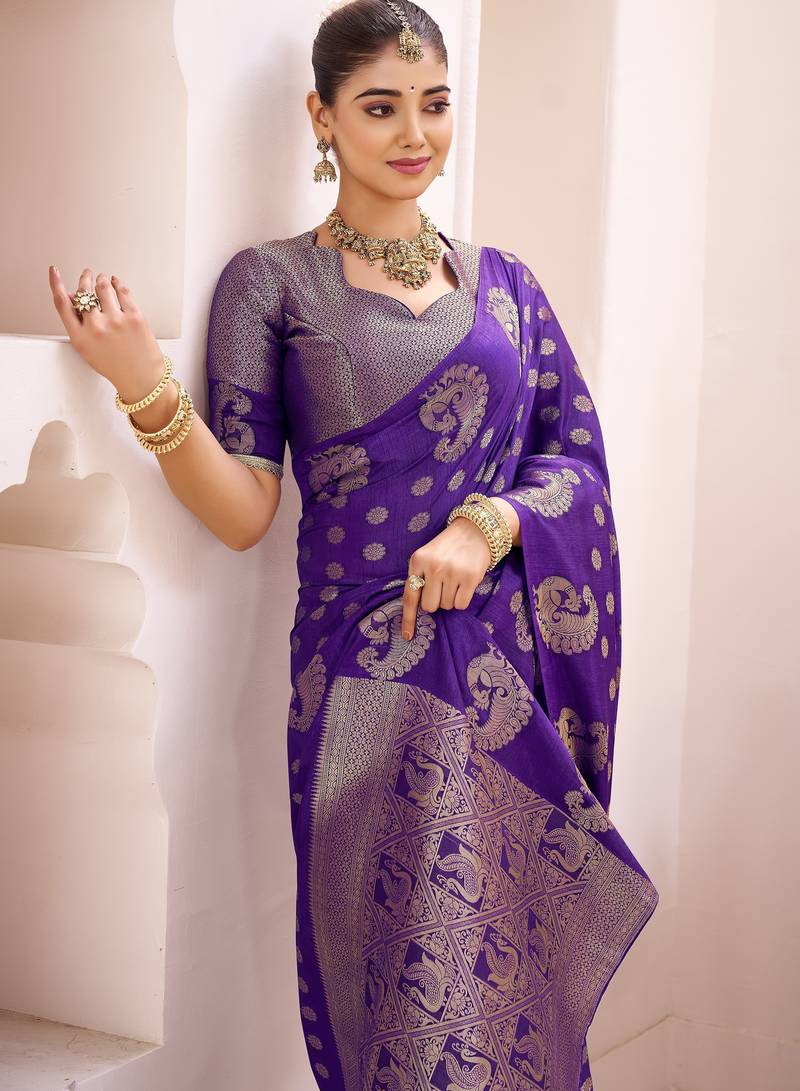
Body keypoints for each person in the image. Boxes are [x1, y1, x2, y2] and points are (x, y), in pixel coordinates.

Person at [48, 1, 659, 1087]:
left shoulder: (506, 285)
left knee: (505, 981)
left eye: (434, 103)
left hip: (503, 674)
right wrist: (143, 384)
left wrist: (488, 523)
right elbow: (244, 511)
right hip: (364, 683)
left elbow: (573, 461)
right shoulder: (272, 282)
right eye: (380, 106)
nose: (414, 132)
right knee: (408, 983)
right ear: (321, 116)